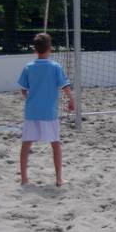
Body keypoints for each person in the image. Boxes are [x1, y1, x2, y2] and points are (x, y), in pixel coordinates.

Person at [17, 33, 75, 186]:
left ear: (34, 49)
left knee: (26, 144)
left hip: (32, 112)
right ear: (50, 48)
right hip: (49, 112)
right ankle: (59, 179)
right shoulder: (55, 67)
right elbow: (65, 87)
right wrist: (72, 100)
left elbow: (23, 90)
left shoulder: (28, 67)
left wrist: (32, 100)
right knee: (55, 144)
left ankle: (24, 179)